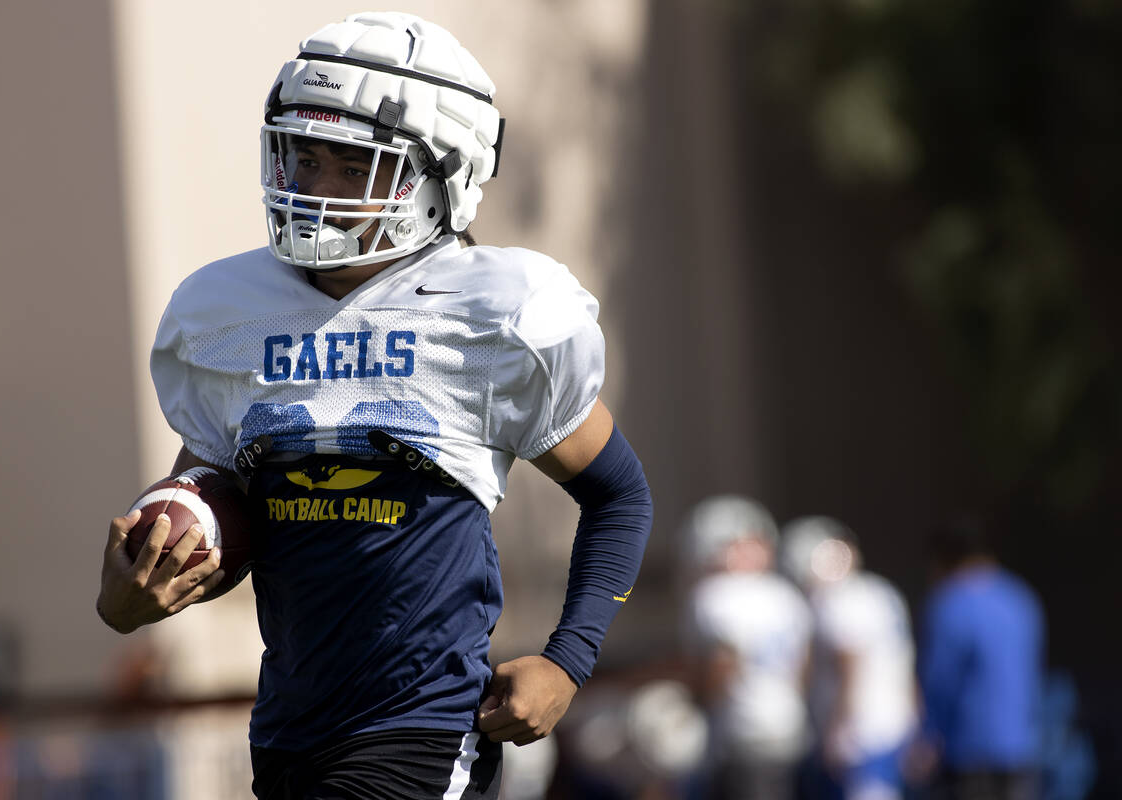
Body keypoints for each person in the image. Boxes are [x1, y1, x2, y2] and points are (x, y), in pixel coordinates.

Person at [94, 12, 653, 799]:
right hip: (287, 732)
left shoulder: (493, 312)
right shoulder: (228, 312)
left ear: (441, 175)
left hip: (424, 727)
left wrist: (567, 662)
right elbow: (221, 515)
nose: (314, 188)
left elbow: (619, 496)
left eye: (354, 165)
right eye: (305, 157)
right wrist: (135, 593)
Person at [682, 495, 812, 800]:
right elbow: (803, 667)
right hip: (789, 724)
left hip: (744, 732)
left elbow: (721, 667)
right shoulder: (786, 594)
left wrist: (700, 705)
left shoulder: (714, 595)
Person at [780, 516, 918, 800]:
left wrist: (837, 731)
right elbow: (904, 666)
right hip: (895, 726)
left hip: (859, 734)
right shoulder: (883, 592)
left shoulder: (836, 600)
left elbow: (851, 667)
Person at [915, 516, 1044, 800]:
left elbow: (940, 681)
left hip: (968, 749)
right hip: (1020, 744)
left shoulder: (951, 602)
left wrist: (928, 735)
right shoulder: (1019, 597)